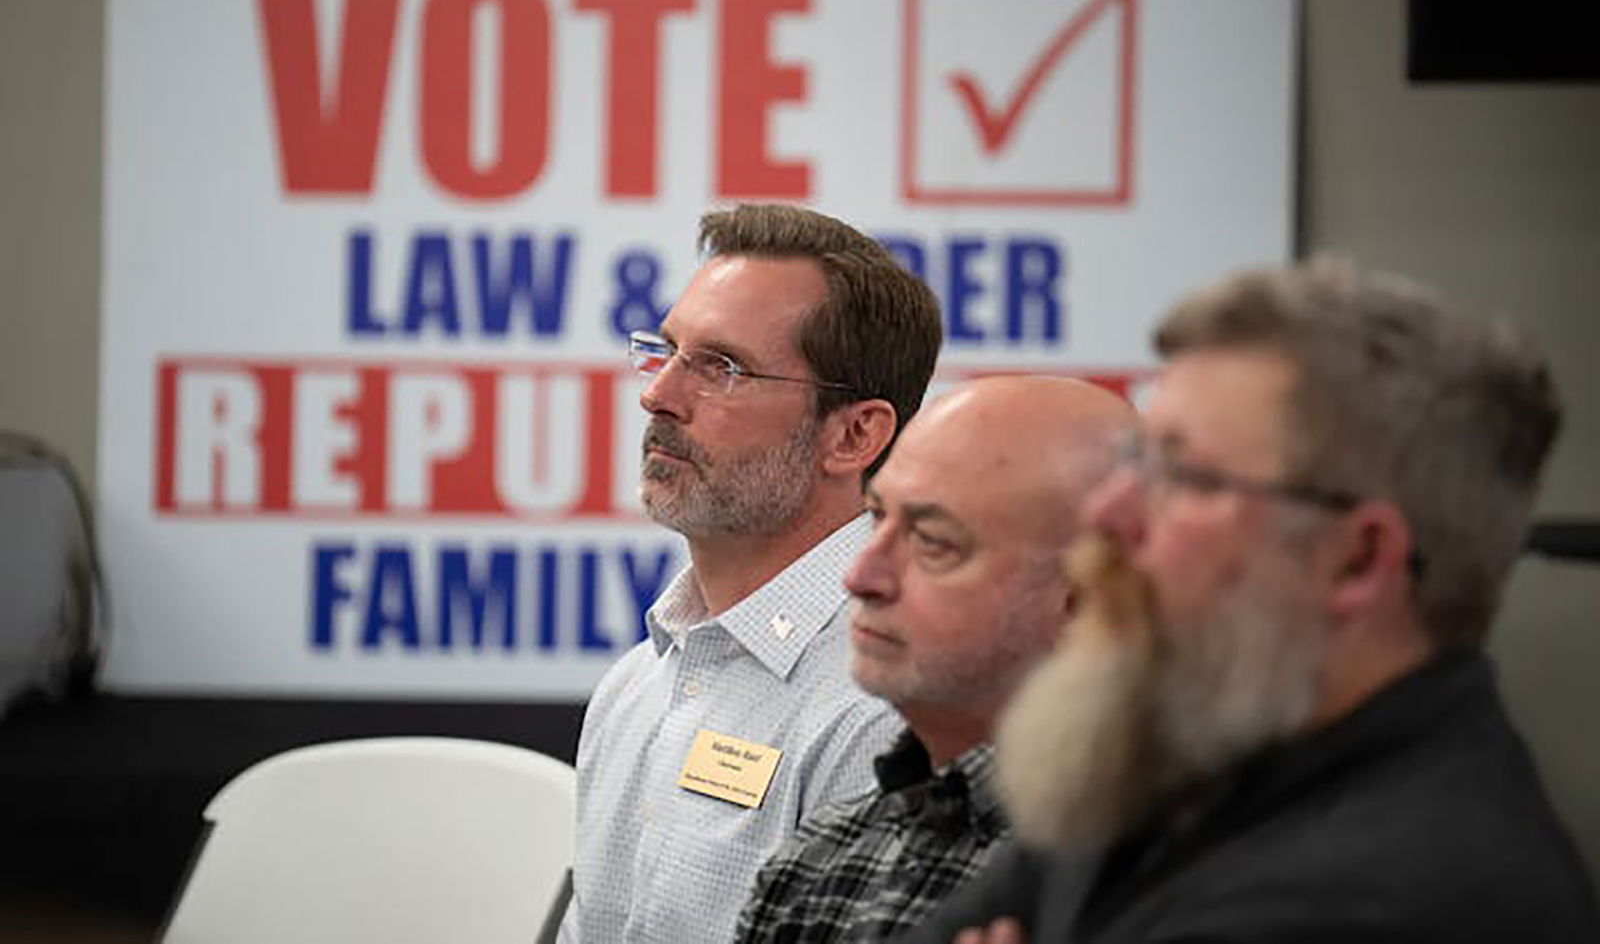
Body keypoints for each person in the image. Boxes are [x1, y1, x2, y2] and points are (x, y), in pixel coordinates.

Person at [914, 260, 1599, 943]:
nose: (1107, 513)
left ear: (1355, 557)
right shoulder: (1175, 754)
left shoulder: (1385, 897)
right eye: (1138, 459)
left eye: (1183, 475)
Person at [559, 203, 943, 944]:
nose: (658, 395)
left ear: (855, 434)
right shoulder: (634, 685)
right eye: (666, 351)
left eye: (721, 369)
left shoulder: (887, 709)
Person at [734, 376, 1134, 943]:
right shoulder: (818, 860)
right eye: (877, 519)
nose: (860, 576)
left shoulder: (1161, 876)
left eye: (933, 542)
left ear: (1087, 600)